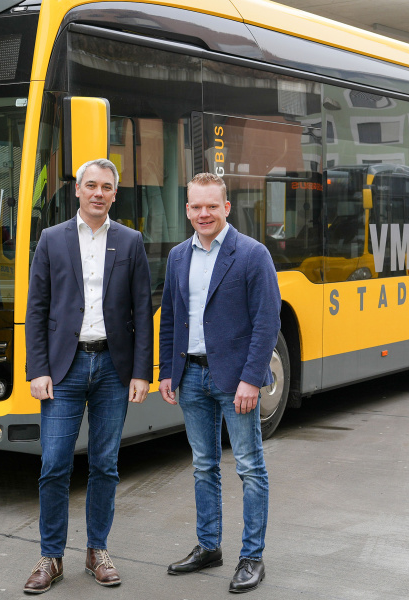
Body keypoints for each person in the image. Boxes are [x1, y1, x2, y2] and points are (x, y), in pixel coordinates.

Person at [24, 158, 153, 594]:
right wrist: (37, 368)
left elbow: (142, 311)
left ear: (116, 194)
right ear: (77, 190)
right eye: (91, 186)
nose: (98, 193)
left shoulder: (131, 242)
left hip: (114, 370)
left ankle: (97, 550)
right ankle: (50, 557)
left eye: (107, 187)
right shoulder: (52, 239)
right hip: (64, 369)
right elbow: (36, 309)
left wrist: (141, 372)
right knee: (54, 464)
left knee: (105, 465)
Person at [158, 172, 281, 594]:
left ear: (226, 208)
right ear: (187, 209)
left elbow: (267, 322)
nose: (203, 213)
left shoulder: (252, 254)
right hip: (190, 375)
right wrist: (166, 372)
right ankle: (209, 546)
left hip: (235, 382)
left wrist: (251, 379)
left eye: (212, 205)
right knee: (203, 465)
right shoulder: (178, 256)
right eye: (196, 206)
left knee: (250, 467)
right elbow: (170, 317)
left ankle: (252, 557)